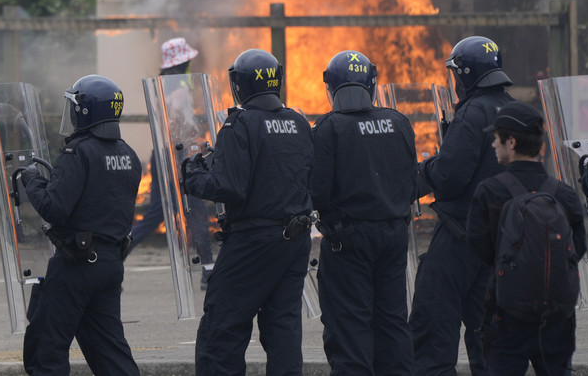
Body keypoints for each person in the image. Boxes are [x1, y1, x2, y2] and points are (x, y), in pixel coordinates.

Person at [182, 48, 314, 376]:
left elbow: (229, 187)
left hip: (253, 241)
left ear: (240, 85)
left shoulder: (238, 124)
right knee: (283, 328)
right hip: (295, 241)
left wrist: (194, 176)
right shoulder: (298, 122)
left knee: (222, 327)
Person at [17, 74, 142, 376]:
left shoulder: (78, 151)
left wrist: (32, 181)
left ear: (85, 110)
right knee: (110, 351)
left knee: (46, 349)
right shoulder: (128, 154)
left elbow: (54, 208)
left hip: (76, 265)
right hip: (110, 263)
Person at [408, 35, 515, 376]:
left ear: (465, 74)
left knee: (432, 322)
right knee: (487, 331)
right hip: (499, 238)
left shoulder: (472, 112)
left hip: (460, 237)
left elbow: (450, 176)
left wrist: (424, 169)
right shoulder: (513, 110)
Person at [310, 50, 417, 375]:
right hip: (394, 237)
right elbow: (411, 183)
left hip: (348, 242)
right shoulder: (399, 121)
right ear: (372, 83)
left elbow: (317, 192)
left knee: (349, 328)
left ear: (331, 87)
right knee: (392, 323)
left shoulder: (328, 128)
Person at [467, 101, 586, 375]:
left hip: (507, 312)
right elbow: (577, 247)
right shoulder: (564, 194)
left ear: (511, 142)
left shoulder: (489, 191)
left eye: (496, 139)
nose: (493, 145)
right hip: (557, 316)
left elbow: (480, 248)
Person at [128, 38, 214, 284]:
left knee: (158, 212)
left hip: (161, 152)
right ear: (181, 62)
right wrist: (195, 136)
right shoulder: (179, 87)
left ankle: (118, 251)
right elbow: (176, 121)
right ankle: (208, 268)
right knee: (196, 209)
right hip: (178, 154)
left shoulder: (162, 84)